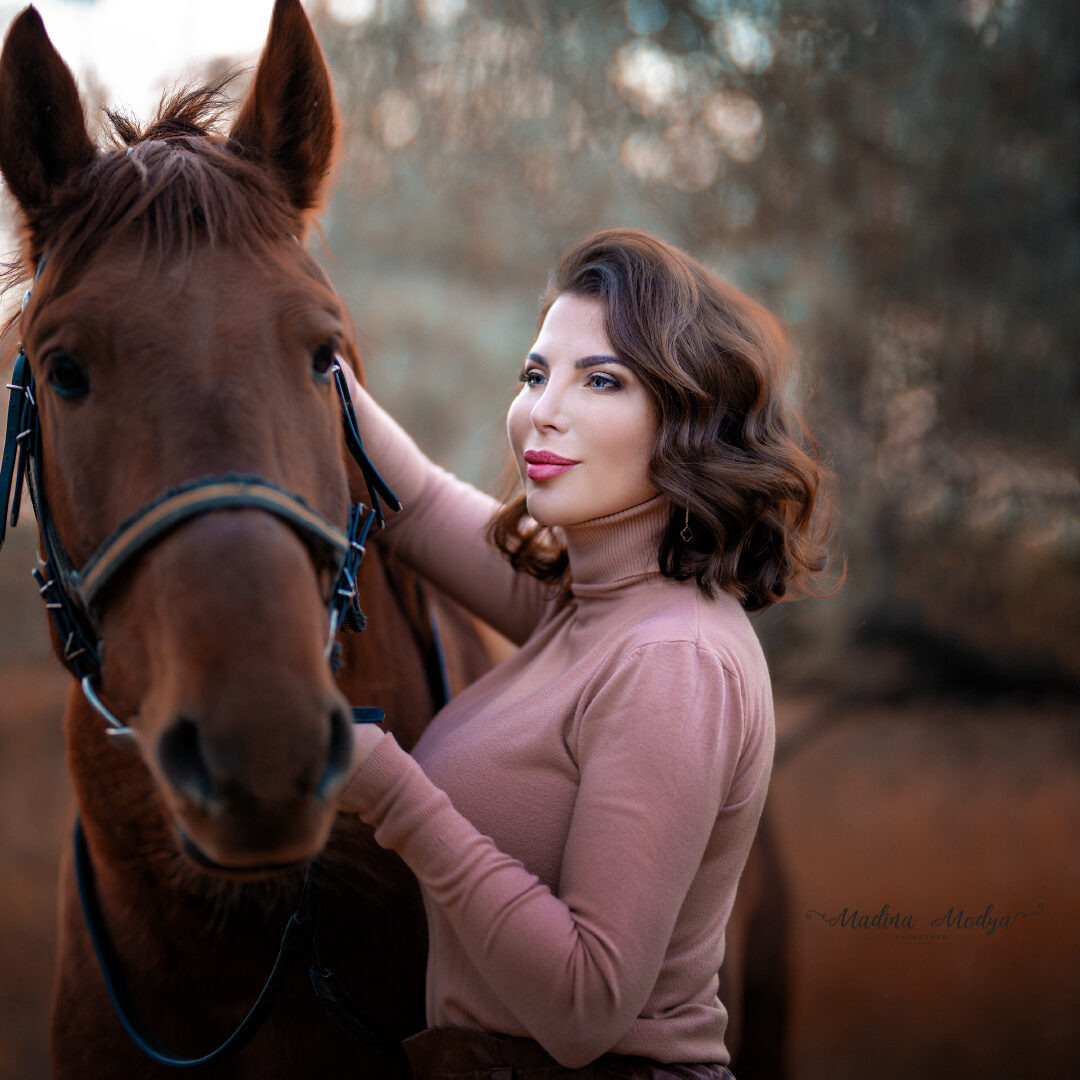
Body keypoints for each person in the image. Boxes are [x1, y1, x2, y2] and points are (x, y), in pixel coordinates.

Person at [338, 227, 837, 1080]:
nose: (543, 410)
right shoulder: (589, 604)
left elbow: (586, 1006)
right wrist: (305, 353)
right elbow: (411, 501)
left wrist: (392, 794)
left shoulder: (673, 658)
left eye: (600, 380)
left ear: (686, 420)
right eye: (537, 374)